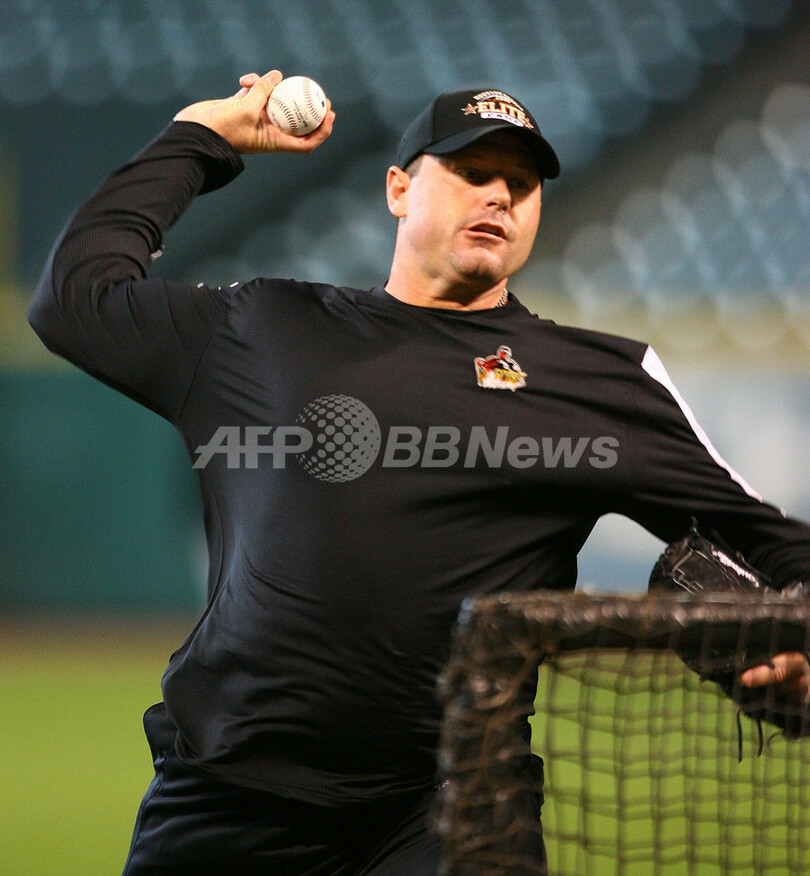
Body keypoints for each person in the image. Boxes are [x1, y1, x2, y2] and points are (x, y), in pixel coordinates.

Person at [29, 70, 810, 876]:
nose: (500, 195)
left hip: (454, 805)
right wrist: (203, 135)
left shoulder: (600, 382)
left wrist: (797, 652)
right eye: (473, 172)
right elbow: (73, 298)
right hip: (230, 796)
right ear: (398, 189)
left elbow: (772, 542)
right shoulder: (263, 327)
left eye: (522, 184)